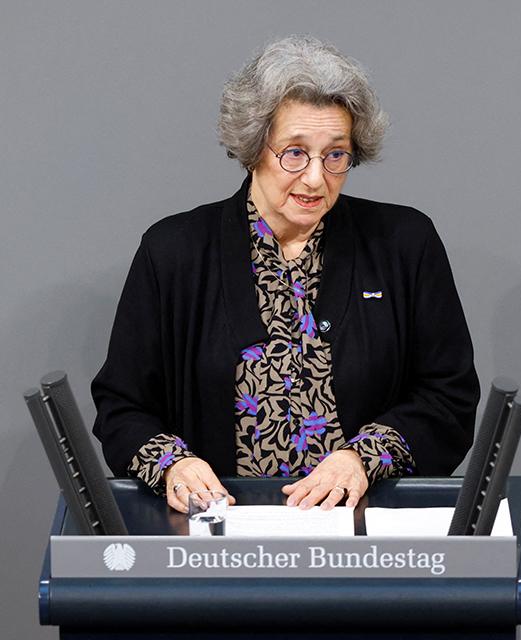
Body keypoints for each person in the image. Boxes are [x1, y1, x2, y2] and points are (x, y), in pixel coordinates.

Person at [91, 36, 479, 514]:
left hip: (365, 535)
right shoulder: (174, 252)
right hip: (221, 539)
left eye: (336, 155)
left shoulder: (404, 243)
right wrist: (173, 463)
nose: (316, 177)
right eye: (294, 153)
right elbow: (121, 406)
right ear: (255, 148)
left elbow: (449, 396)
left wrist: (364, 457)